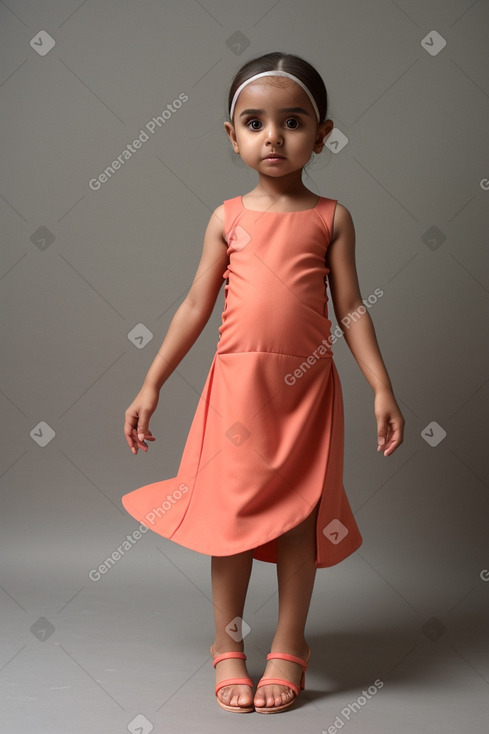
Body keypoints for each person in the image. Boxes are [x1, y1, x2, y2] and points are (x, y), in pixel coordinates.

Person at [122, 51, 404, 715]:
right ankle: (227, 647)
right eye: (254, 122)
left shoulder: (331, 217)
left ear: (322, 133)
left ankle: (288, 643)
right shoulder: (227, 217)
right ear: (232, 135)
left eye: (292, 121)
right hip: (237, 395)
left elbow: (350, 309)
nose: (273, 136)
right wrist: (150, 383)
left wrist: (381, 387)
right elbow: (194, 306)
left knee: (299, 521)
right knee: (232, 523)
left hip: (304, 394)